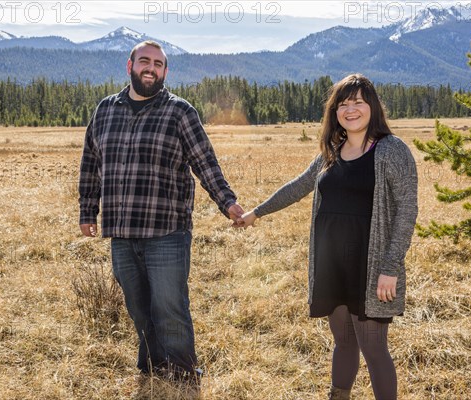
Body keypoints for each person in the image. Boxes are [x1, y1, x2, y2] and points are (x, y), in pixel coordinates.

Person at [237, 74, 418, 400]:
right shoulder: (331, 151)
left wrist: (390, 267)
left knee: (374, 348)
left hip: (371, 265)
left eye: (358, 102)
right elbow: (298, 186)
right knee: (344, 341)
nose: (351, 110)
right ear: (335, 112)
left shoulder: (391, 150)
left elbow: (407, 210)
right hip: (331, 263)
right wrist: (256, 212)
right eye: (343, 104)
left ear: (372, 107)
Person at [78, 40, 244, 384]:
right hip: (121, 230)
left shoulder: (179, 112)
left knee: (169, 307)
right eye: (144, 61)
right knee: (138, 306)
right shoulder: (105, 111)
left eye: (158, 63)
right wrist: (87, 211)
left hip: (167, 230)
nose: (150, 68)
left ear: (165, 71)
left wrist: (227, 202)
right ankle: (152, 367)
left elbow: (205, 162)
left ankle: (183, 374)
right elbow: (90, 163)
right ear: (130, 66)